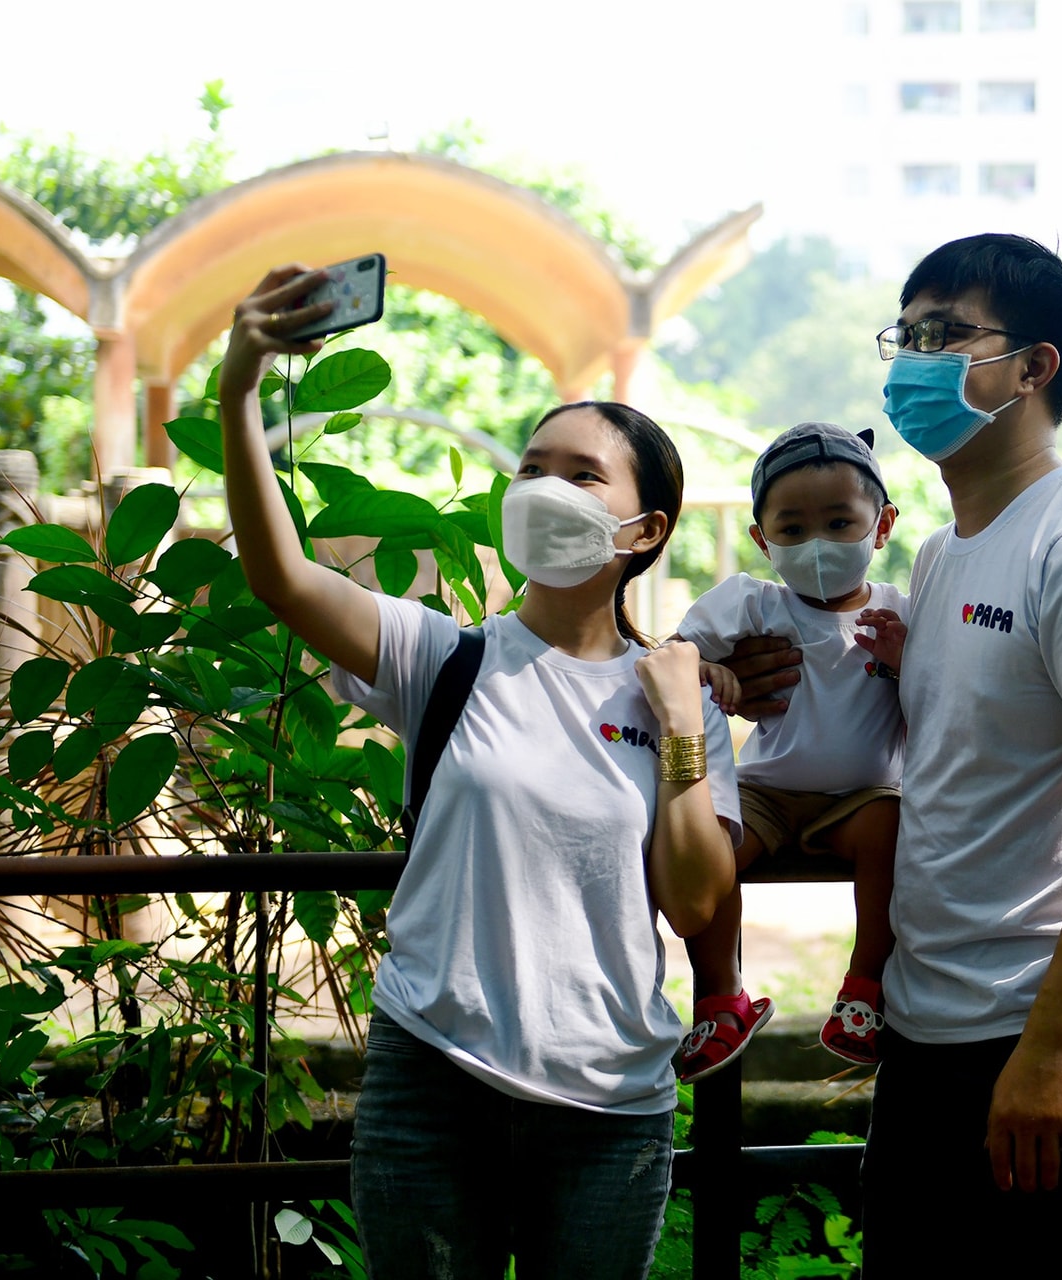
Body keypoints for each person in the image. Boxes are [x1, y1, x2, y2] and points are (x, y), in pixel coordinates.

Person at [217, 264, 739, 1280]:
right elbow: (279, 575)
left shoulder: (682, 695)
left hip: (610, 1105)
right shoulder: (444, 656)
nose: (544, 486)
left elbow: (692, 898)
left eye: (581, 473)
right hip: (433, 1083)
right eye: (532, 465)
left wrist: (680, 725)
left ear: (647, 530)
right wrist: (240, 388)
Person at [728, 234, 1062, 1277]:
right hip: (929, 1023)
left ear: (1034, 367)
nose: (914, 359)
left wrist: (1057, 1042)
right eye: (907, 332)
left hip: (1058, 1025)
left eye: (947, 332)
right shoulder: (939, 556)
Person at [669, 422, 908, 1079]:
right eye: (793, 529)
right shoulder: (753, 604)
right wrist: (708, 670)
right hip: (765, 794)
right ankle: (722, 998)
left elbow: (948, 700)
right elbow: (673, 655)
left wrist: (906, 664)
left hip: (863, 802)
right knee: (707, 849)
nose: (817, 545)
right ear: (761, 539)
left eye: (839, 522)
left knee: (893, 828)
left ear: (881, 525)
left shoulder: (902, 616)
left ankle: (865, 990)